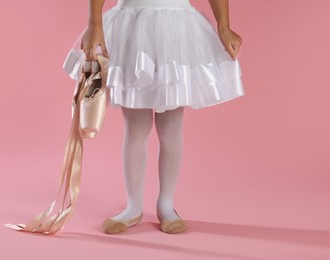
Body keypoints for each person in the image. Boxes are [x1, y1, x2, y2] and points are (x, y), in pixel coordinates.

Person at [63, 0, 244, 234]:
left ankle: (166, 205)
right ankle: (133, 206)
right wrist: (94, 23)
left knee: (170, 127)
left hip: (175, 28)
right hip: (132, 24)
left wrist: (224, 26)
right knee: (135, 127)